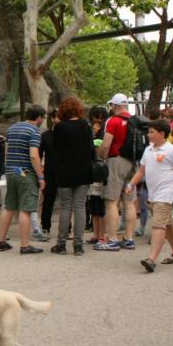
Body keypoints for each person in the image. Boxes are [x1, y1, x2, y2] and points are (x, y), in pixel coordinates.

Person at [125, 120, 173, 272]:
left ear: (162, 134)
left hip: (166, 194)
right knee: (167, 224)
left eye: (151, 132)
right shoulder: (148, 150)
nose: (148, 135)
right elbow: (141, 171)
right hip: (153, 195)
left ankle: (152, 259)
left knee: (158, 225)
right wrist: (131, 184)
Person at [0, 105, 47, 254]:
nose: (43, 120)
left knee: (9, 206)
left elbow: (7, 150)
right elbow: (33, 155)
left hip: (11, 171)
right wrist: (41, 176)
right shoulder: (34, 131)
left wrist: (9, 167)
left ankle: (2, 241)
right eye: (42, 118)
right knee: (26, 209)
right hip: (25, 173)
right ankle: (25, 245)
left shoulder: (13, 128)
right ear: (38, 118)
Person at [50, 98, 95, 255]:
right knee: (80, 206)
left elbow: (55, 151)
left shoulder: (59, 127)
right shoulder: (85, 125)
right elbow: (91, 149)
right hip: (82, 171)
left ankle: (61, 244)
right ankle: (78, 245)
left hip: (64, 171)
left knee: (65, 206)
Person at [97, 93, 138, 251]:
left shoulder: (112, 121)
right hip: (132, 163)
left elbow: (106, 144)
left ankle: (112, 239)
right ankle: (129, 238)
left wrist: (101, 157)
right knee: (129, 202)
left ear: (114, 105)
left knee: (111, 201)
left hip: (116, 161)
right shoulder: (135, 121)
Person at [86, 106, 108, 245]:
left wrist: (94, 138)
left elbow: (100, 152)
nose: (98, 120)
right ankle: (95, 233)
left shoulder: (105, 132)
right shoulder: (89, 131)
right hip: (91, 171)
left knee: (101, 205)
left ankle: (102, 234)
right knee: (93, 203)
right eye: (95, 117)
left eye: (101, 117)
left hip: (101, 171)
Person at [37, 110, 59, 241]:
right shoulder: (45, 136)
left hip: (64, 171)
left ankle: (67, 228)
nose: (57, 119)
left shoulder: (67, 135)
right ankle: (45, 226)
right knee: (48, 200)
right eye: (55, 117)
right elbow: (38, 155)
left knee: (66, 201)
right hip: (50, 171)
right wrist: (39, 172)